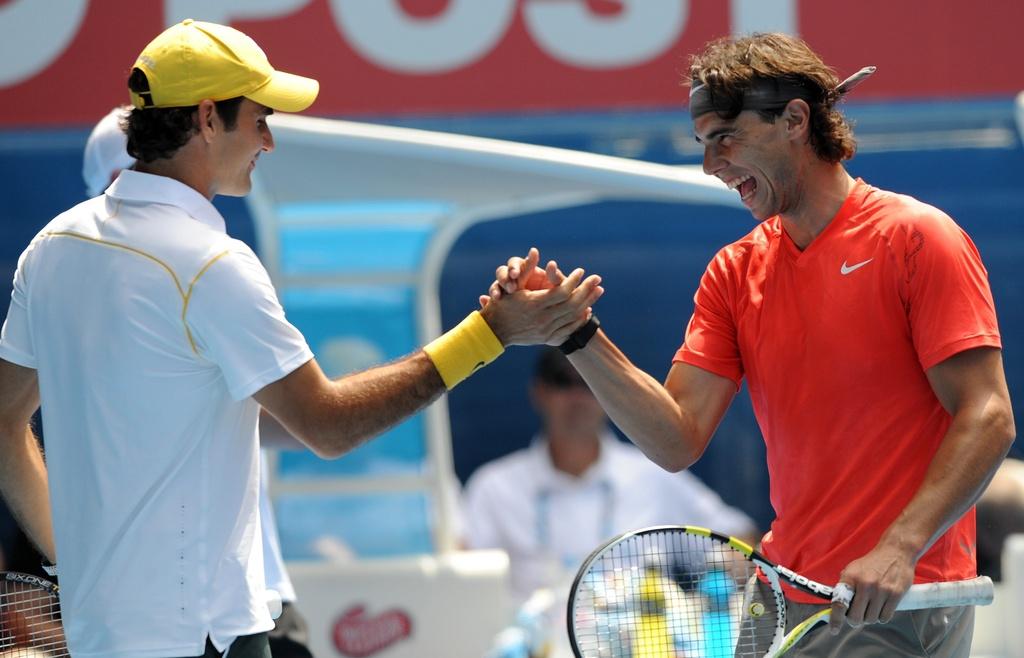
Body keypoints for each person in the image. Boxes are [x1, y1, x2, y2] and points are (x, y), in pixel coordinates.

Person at [0, 19, 602, 658]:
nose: (269, 138)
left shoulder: (51, 247)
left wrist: (74, 556)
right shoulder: (211, 264)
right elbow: (330, 427)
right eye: (259, 118)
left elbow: (7, 420)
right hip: (202, 639)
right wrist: (490, 333)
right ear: (207, 118)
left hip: (100, 635)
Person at [490, 33, 1015, 656]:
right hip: (780, 596)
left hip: (899, 596)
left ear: (795, 120)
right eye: (703, 144)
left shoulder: (918, 238)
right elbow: (676, 437)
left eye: (725, 138)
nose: (712, 165)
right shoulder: (733, 273)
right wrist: (576, 334)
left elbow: (988, 417)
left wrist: (899, 547)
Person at [82, 104, 313, 658]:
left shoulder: (212, 271)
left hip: (257, 605)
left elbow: (303, 425)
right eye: (129, 178)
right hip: (164, 623)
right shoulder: (88, 283)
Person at [461, 347, 756, 603]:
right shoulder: (493, 487)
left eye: (589, 382)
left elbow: (737, 539)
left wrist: (722, 578)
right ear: (538, 392)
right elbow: (463, 579)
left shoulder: (654, 473)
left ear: (609, 392)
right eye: (562, 381)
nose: (577, 395)